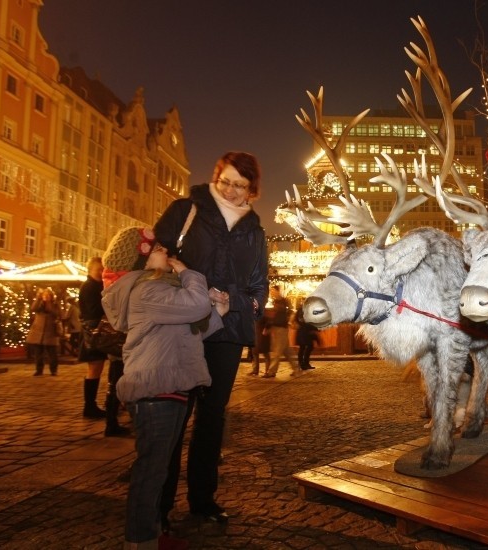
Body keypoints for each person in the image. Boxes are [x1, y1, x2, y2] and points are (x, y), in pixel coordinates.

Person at [154, 151, 268, 525]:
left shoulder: (255, 229)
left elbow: (259, 288)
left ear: (252, 189)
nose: (232, 191)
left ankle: (203, 500)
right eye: (226, 182)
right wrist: (192, 281)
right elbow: (156, 259)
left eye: (241, 185)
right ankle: (160, 505)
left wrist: (230, 300)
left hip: (228, 330)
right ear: (215, 177)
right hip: (183, 325)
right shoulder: (186, 209)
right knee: (174, 413)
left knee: (212, 417)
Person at [101, 226, 224, 550]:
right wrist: (189, 274)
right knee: (150, 472)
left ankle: (151, 533)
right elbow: (194, 308)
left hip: (167, 388)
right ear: (140, 259)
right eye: (156, 248)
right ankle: (140, 540)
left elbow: (188, 329)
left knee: (157, 471)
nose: (165, 252)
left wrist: (217, 312)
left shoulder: (155, 290)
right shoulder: (147, 291)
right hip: (156, 393)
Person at [78, 257, 107, 419]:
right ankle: (89, 406)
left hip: (94, 329)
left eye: (103, 269)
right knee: (94, 367)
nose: (102, 272)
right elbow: (94, 309)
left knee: (96, 367)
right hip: (93, 331)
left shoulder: (94, 285)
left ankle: (90, 405)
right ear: (90, 270)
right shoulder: (90, 287)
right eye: (99, 269)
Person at [264, 285, 299, 378]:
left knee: (276, 351)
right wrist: (269, 327)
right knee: (287, 351)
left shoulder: (284, 301)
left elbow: (292, 311)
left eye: (273, 291)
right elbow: (273, 316)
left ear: (277, 291)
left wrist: (290, 321)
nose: (271, 293)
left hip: (281, 328)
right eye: (270, 291)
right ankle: (296, 368)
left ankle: (271, 371)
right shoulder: (275, 301)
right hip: (276, 328)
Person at [26, 287, 60, 376]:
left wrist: (48, 304)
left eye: (48, 295)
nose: (46, 296)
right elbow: (33, 308)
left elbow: (58, 314)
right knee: (38, 353)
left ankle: (53, 370)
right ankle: (39, 370)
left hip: (50, 331)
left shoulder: (55, 304)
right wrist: (38, 298)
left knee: (52, 353)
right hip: (38, 331)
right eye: (44, 295)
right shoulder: (39, 303)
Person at [295, 305, 319, 370]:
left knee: (308, 347)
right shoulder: (302, 310)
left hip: (307, 331)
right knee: (303, 348)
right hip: (304, 332)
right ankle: (302, 364)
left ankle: (305, 363)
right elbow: (301, 320)